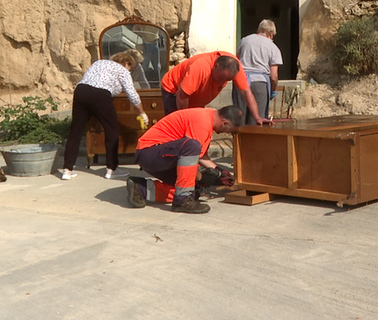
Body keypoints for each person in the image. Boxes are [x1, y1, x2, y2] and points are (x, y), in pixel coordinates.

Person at [127, 106, 243, 214]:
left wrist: (219, 171)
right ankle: (182, 201)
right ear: (225, 123)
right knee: (192, 149)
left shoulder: (208, 118)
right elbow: (191, 152)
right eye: (230, 131)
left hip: (160, 156)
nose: (227, 133)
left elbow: (200, 155)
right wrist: (203, 178)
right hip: (149, 153)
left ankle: (141, 188)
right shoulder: (202, 122)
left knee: (193, 192)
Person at [62, 51, 149, 181]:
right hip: (101, 95)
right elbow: (132, 95)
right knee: (111, 131)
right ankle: (112, 169)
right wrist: (142, 113)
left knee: (75, 130)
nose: (130, 70)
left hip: (81, 91)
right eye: (130, 67)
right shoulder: (123, 70)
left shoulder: (99, 62)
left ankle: (67, 170)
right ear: (127, 63)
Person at [160, 50, 268, 124]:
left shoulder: (234, 68)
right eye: (221, 78)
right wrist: (185, 119)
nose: (222, 82)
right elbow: (182, 95)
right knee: (177, 125)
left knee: (196, 126)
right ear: (215, 66)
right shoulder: (201, 67)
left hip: (195, 97)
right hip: (174, 90)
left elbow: (246, 92)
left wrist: (257, 117)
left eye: (226, 80)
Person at [233, 19, 283, 124]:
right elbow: (273, 76)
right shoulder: (273, 47)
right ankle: (254, 140)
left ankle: (238, 140)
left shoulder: (244, 40)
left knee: (239, 118)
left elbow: (236, 61)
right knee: (258, 120)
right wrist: (273, 90)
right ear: (271, 34)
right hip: (260, 84)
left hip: (241, 81)